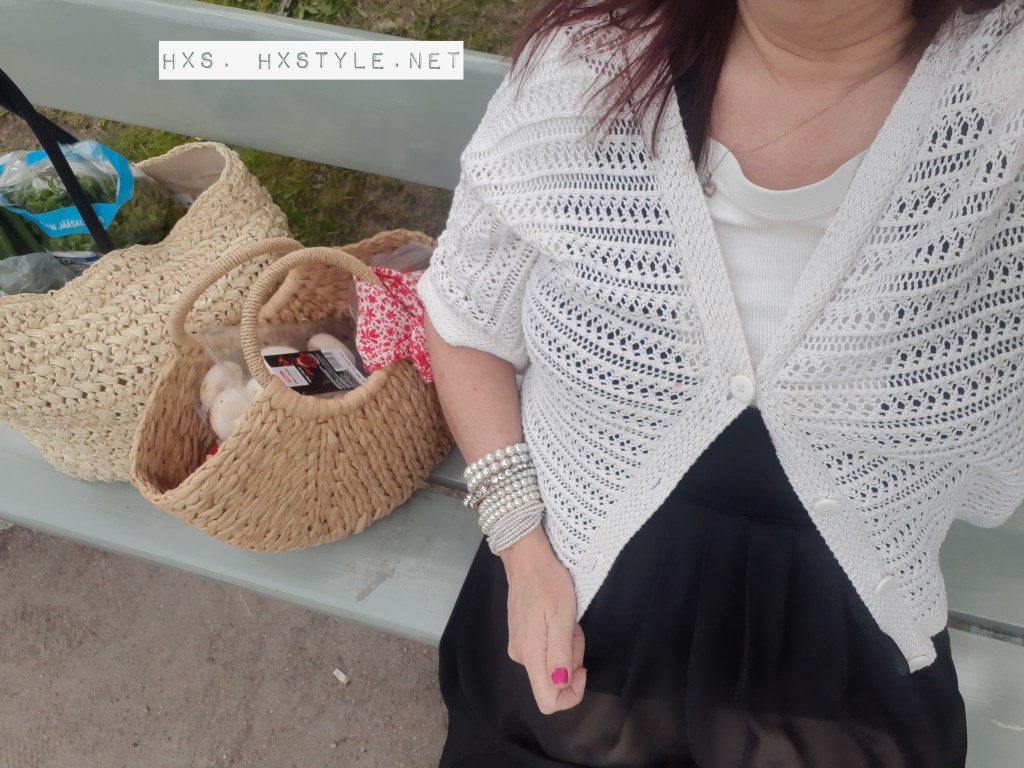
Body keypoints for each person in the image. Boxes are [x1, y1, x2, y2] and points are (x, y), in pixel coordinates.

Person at [416, 0, 1023, 765]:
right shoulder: (591, 61)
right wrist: (520, 546)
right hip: (569, 589)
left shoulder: (1001, 107)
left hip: (849, 651)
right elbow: (466, 317)